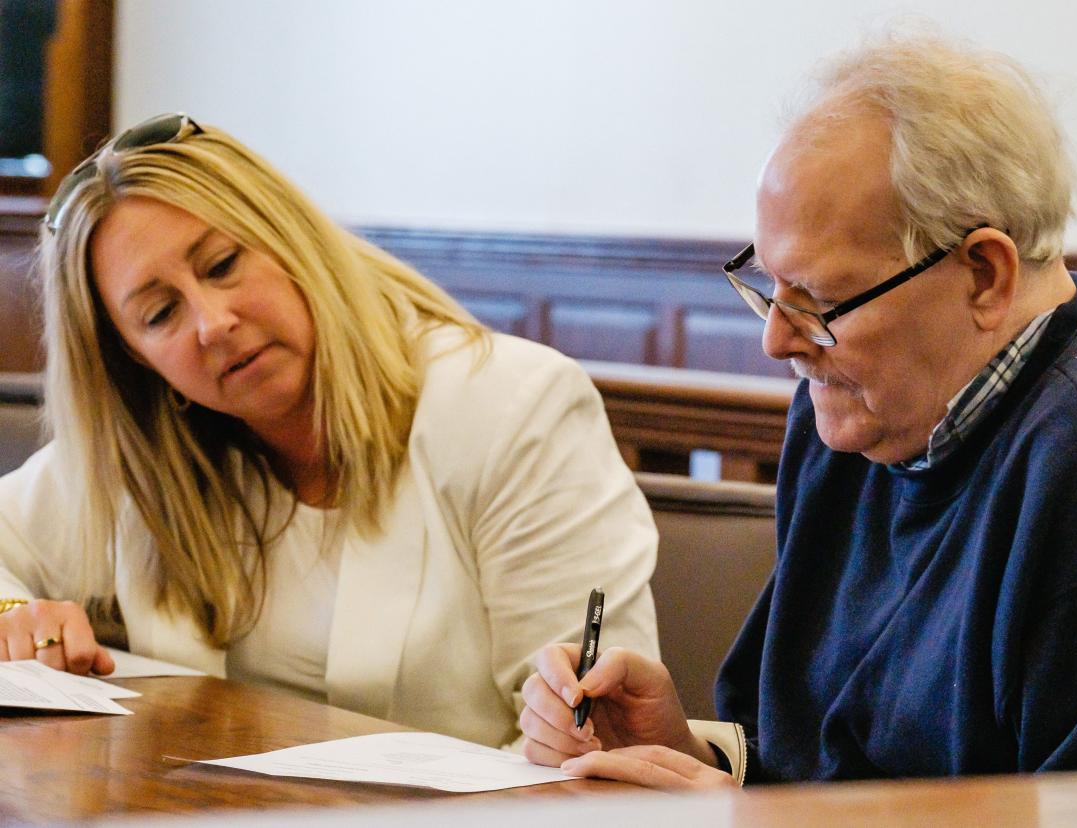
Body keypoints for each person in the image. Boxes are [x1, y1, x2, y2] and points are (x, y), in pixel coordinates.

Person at [520, 32, 1077, 786]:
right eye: (770, 288)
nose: (776, 342)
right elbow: (824, 765)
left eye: (821, 303)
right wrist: (696, 755)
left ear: (985, 276)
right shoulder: (860, 415)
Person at [0, 113, 660, 749]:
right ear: (136, 362)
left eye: (223, 264)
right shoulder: (142, 452)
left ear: (290, 240)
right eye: (161, 312)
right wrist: (14, 619)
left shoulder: (514, 405)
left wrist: (567, 738)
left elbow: (596, 730)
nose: (213, 322)